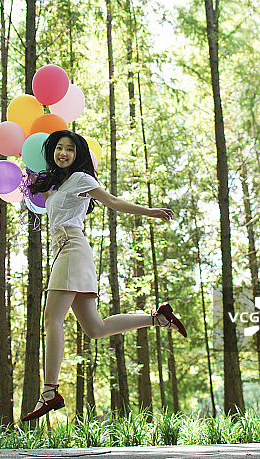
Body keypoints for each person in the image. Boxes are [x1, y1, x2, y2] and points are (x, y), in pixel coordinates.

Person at [21, 130, 187, 422]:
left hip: (72, 248)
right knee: (95, 328)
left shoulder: (83, 179)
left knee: (52, 319)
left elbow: (114, 202)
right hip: (65, 251)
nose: (63, 153)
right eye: (59, 148)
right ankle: (158, 318)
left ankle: (49, 391)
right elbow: (50, 205)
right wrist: (30, 179)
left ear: (78, 154)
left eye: (69, 150)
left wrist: (151, 212)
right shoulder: (58, 187)